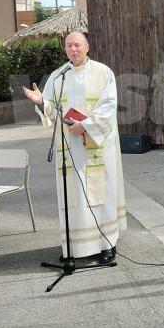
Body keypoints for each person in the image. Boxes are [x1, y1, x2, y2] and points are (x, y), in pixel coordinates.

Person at [22, 31, 127, 263]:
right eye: (69, 45)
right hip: (69, 147)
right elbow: (51, 107)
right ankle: (75, 247)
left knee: (101, 194)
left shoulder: (103, 72)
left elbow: (109, 106)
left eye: (77, 45)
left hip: (96, 146)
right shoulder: (58, 76)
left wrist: (86, 125)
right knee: (74, 195)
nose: (73, 49)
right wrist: (41, 102)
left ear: (87, 47)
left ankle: (106, 245)